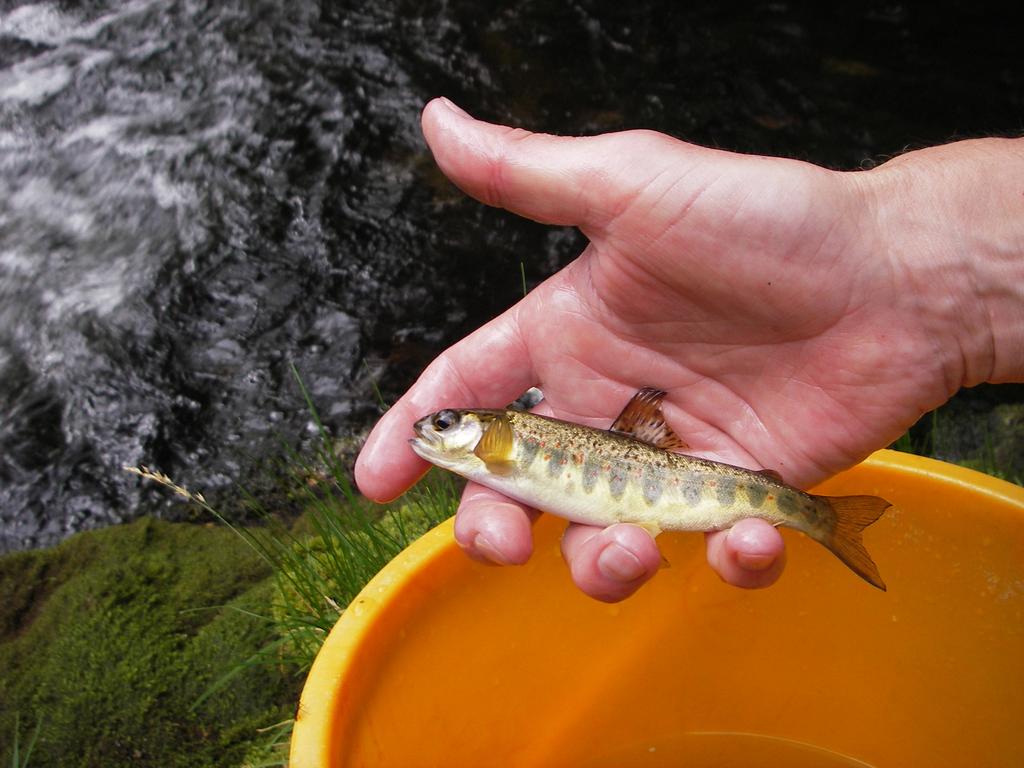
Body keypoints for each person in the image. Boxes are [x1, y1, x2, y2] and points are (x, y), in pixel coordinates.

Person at [355, 97, 1024, 603]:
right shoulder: (498, 448)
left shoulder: (499, 443)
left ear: (485, 432)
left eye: (446, 422)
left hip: (665, 467)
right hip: (666, 467)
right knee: (641, 550)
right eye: (443, 423)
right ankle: (811, 518)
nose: (436, 427)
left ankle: (816, 519)